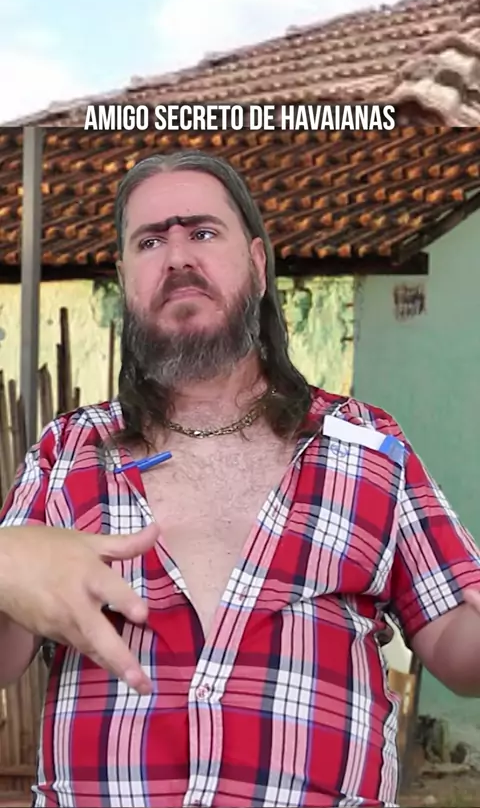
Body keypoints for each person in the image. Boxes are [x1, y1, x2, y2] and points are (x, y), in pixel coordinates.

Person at [1, 150, 480, 808]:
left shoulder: (366, 445)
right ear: (124, 279)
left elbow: (457, 645)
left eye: (202, 232)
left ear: (257, 264)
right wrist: (6, 561)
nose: (176, 258)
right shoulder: (67, 453)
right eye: (150, 242)